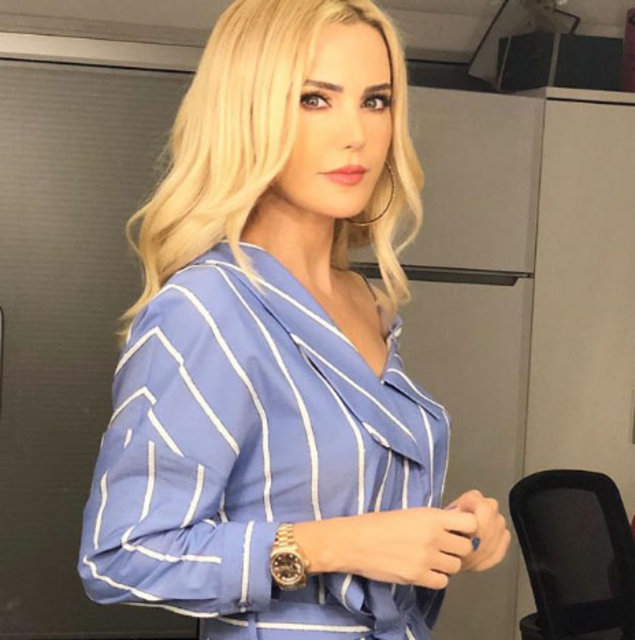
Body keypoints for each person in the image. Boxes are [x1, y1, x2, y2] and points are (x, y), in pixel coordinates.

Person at [77, 0, 511, 638]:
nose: (356, 133)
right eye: (314, 99)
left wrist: (445, 536)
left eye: (376, 101)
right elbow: (121, 555)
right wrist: (333, 545)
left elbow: (352, 509)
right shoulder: (207, 308)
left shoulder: (367, 302)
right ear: (248, 111)